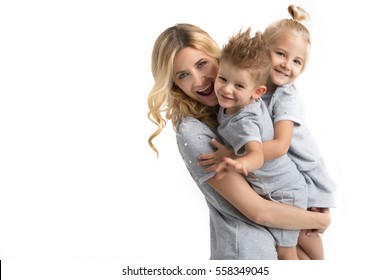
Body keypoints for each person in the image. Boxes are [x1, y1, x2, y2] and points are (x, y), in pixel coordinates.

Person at [147, 23, 330, 260]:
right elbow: (258, 210)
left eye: (202, 64)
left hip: (277, 231)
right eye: (183, 75)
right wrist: (319, 220)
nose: (199, 80)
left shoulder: (235, 104)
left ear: (219, 58)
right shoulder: (192, 131)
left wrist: (313, 197)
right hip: (246, 250)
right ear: (174, 84)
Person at [212, 28, 308, 260]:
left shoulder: (246, 120)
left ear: (258, 92)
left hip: (285, 191)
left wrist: (239, 161)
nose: (226, 89)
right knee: (291, 247)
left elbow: (256, 153)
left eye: (239, 86)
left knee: (286, 254)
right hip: (273, 187)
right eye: (223, 78)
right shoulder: (232, 103)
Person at [259, 5, 337, 259]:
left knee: (308, 247)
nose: (286, 65)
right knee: (290, 248)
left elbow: (281, 145)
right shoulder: (256, 88)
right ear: (262, 49)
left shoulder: (285, 97)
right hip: (292, 181)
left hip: (309, 181)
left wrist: (236, 155)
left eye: (296, 61)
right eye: (280, 54)